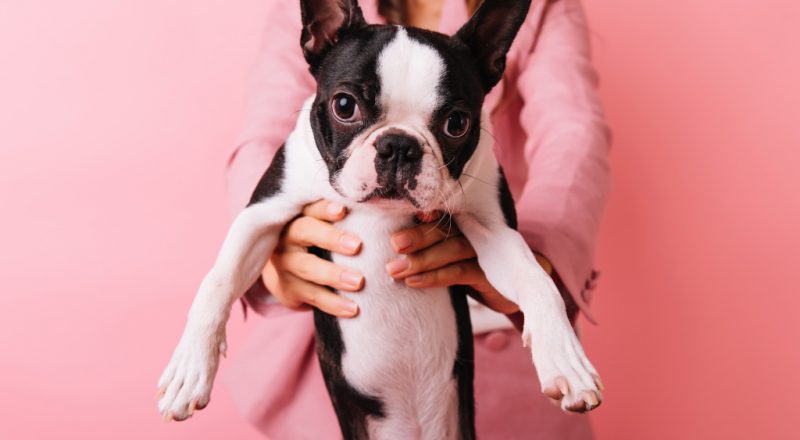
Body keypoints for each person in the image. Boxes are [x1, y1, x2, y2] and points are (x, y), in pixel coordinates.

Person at [222, 0, 610, 438]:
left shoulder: (539, 9)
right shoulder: (332, 21)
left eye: (454, 123)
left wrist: (537, 267)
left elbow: (574, 137)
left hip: (501, 344)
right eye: (349, 106)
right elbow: (262, 133)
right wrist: (274, 250)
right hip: (327, 348)